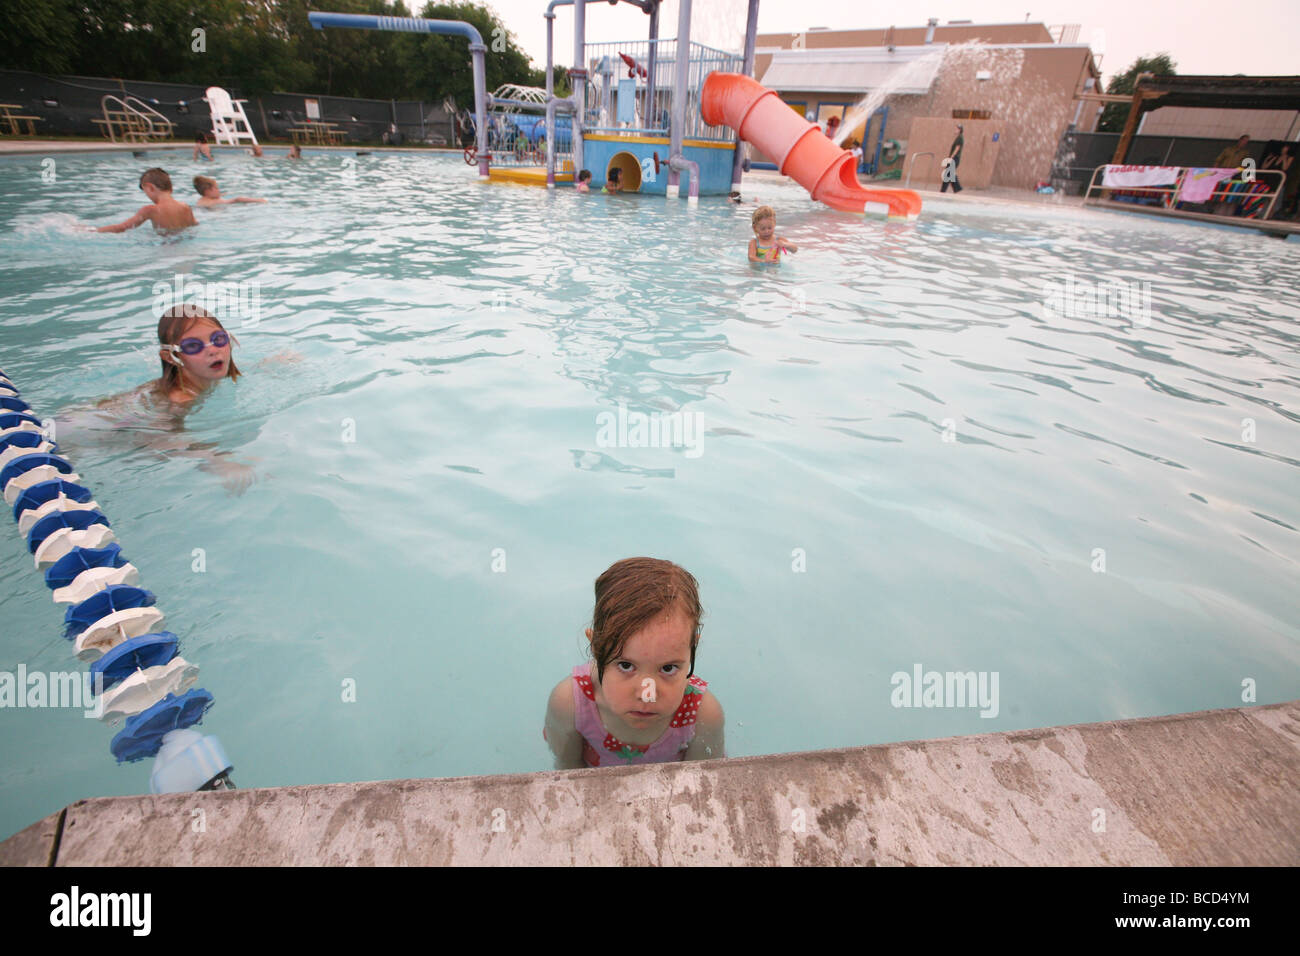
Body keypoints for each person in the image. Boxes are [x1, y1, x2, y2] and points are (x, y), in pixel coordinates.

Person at [543, 557, 724, 769]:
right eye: (626, 666)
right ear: (596, 648)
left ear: (692, 650)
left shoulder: (703, 716)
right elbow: (566, 768)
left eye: (667, 668)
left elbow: (702, 782)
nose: (647, 693)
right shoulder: (569, 704)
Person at [94, 168, 198, 233]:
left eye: (145, 191)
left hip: (166, 249)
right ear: (170, 188)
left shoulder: (150, 210)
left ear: (150, 187)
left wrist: (94, 230)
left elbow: (122, 227)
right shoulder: (186, 207)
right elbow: (194, 226)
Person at [193, 175, 266, 208]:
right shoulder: (217, 202)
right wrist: (260, 200)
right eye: (217, 188)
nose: (219, 191)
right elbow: (238, 199)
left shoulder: (201, 200)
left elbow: (216, 196)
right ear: (208, 190)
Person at [941, 124, 964, 193]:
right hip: (954, 158)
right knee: (949, 174)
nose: (955, 130)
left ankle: (945, 190)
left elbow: (957, 148)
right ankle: (957, 188)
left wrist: (951, 158)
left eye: (956, 129)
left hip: (955, 158)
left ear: (960, 130)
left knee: (948, 173)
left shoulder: (960, 138)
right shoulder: (958, 137)